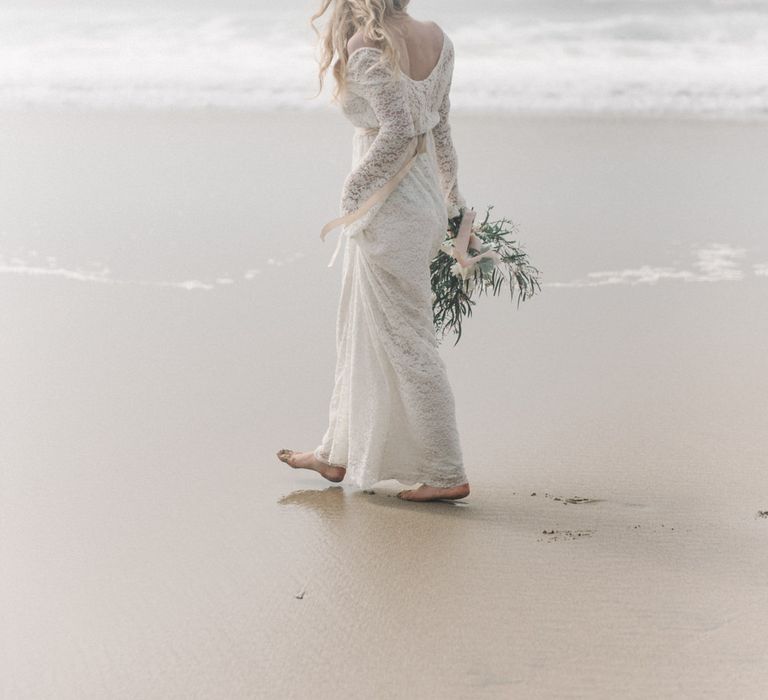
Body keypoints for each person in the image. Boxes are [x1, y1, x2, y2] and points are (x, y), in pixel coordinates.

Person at [277, 0, 472, 502]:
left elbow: (399, 129)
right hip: (420, 198)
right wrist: (452, 203)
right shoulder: (437, 37)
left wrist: (351, 194)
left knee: (409, 342)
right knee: (359, 325)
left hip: (389, 205)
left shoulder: (370, 44)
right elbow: (440, 128)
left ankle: (448, 473)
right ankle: (334, 453)